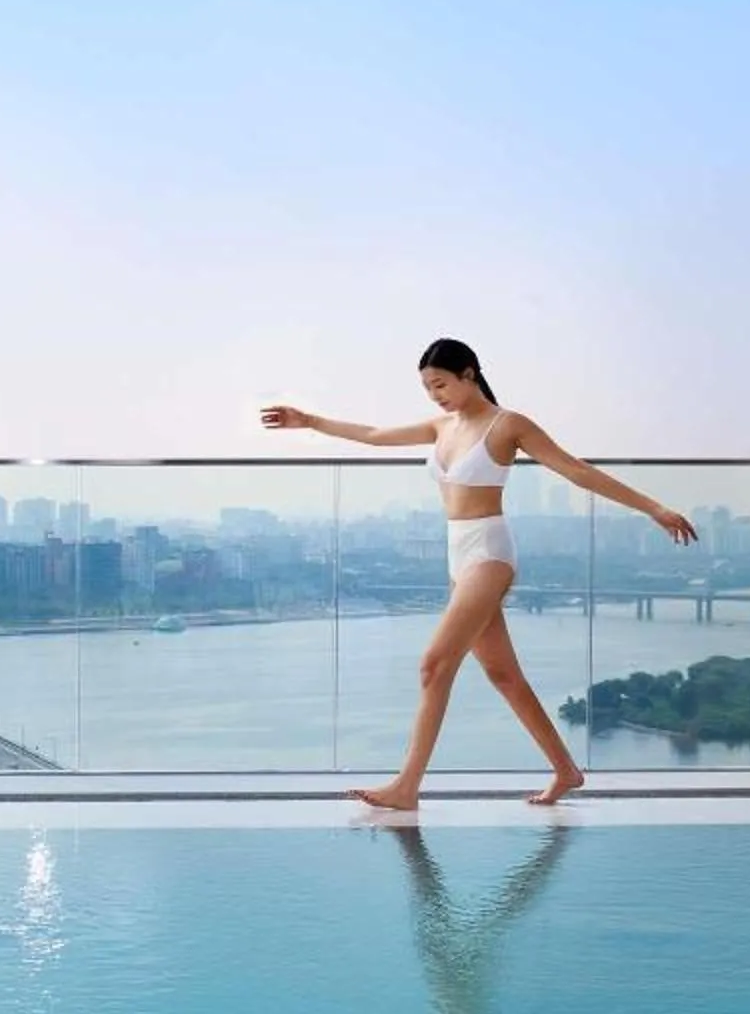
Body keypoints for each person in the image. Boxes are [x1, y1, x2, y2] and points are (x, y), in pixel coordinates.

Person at [263, 338, 696, 808]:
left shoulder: (508, 424)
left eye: (442, 384)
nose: (436, 395)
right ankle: (567, 771)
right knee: (503, 675)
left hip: (489, 551)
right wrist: (308, 422)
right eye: (429, 388)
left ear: (469, 373)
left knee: (433, 665)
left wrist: (654, 508)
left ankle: (406, 787)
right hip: (457, 554)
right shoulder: (440, 426)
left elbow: (575, 471)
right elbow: (373, 434)